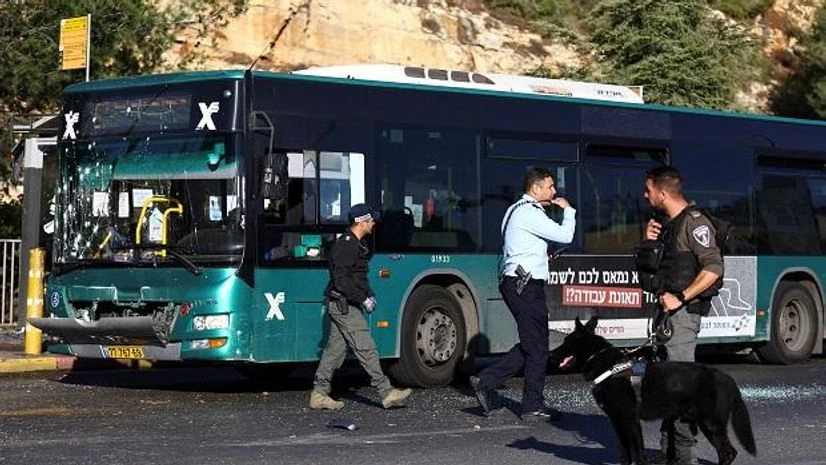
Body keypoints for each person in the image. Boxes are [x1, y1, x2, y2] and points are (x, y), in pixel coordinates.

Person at [469, 167, 576, 422]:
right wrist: (568, 210)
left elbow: (520, 245)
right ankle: (531, 406)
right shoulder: (530, 212)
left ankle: (487, 380)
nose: (554, 191)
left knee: (534, 342)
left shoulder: (515, 210)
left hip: (517, 283)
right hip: (526, 286)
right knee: (537, 346)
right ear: (536, 188)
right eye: (550, 187)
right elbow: (566, 235)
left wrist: (542, 253)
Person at [642, 166, 724, 465]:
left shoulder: (694, 222)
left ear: (663, 193)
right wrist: (649, 241)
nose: (645, 195)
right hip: (666, 315)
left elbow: (713, 268)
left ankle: (685, 457)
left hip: (683, 315)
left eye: (649, 190)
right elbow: (653, 268)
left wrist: (681, 297)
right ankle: (669, 453)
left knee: (680, 386)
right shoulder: (668, 224)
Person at [309, 203, 413, 410]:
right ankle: (386, 392)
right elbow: (342, 281)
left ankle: (319, 394)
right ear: (362, 221)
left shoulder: (356, 244)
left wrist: (368, 294)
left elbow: (357, 278)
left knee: (335, 352)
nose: (374, 223)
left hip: (346, 303)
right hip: (344, 305)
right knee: (366, 347)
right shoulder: (346, 245)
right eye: (371, 220)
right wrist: (362, 298)